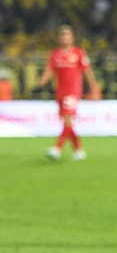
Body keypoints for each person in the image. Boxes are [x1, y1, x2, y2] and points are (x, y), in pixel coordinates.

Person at [38, 25, 101, 160]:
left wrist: (94, 89)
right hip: (60, 91)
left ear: (72, 38)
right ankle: (79, 150)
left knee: (67, 118)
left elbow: (87, 73)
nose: (65, 39)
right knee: (67, 122)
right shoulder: (55, 54)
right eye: (62, 36)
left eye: (67, 36)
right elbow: (49, 69)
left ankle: (57, 149)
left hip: (73, 91)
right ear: (59, 39)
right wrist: (43, 80)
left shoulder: (79, 53)